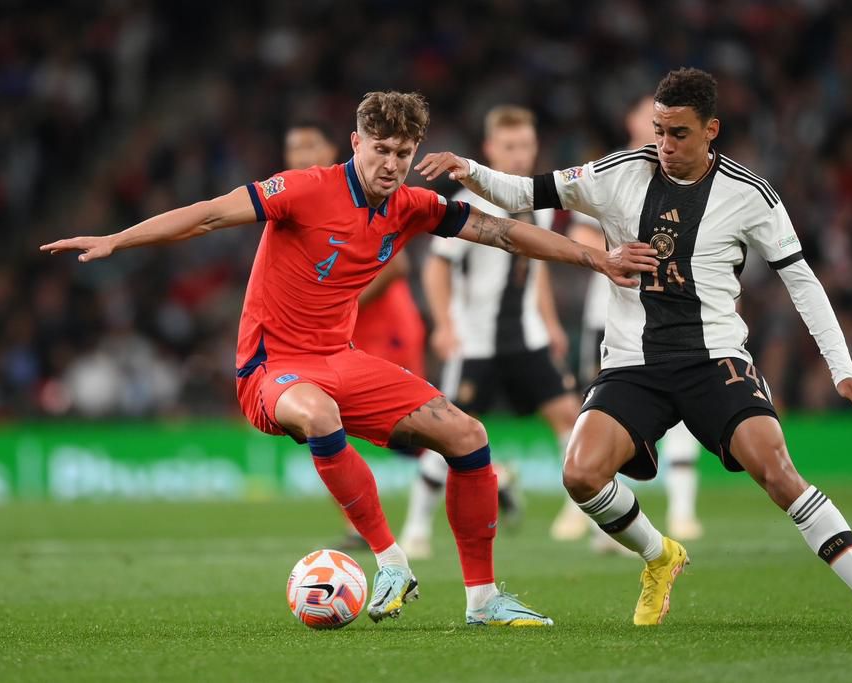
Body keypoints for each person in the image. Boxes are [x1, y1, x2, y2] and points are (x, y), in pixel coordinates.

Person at [42, 90, 656, 627]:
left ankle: (483, 599)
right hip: (271, 367)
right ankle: (391, 563)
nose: (391, 165)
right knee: (317, 412)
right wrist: (118, 238)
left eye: (403, 153)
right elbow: (208, 215)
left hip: (339, 358)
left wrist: (597, 259)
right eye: (381, 150)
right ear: (356, 142)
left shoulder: (412, 205)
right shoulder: (306, 189)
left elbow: (503, 231)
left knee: (467, 435)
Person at [416, 68, 852, 627]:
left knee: (778, 471)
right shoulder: (618, 173)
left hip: (715, 359)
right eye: (658, 130)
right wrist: (469, 169)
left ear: (712, 130)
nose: (664, 145)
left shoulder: (750, 195)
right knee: (580, 474)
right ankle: (660, 556)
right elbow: (526, 191)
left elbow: (801, 280)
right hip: (634, 363)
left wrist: (841, 368)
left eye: (678, 133)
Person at [399, 105, 582, 559]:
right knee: (444, 433)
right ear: (489, 149)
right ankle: (416, 527)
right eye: (509, 146)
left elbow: (534, 271)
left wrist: (552, 323)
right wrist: (444, 324)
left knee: (572, 419)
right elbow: (435, 269)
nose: (519, 155)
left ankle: (587, 516)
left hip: (527, 338)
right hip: (475, 341)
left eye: (525, 145)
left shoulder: (534, 204)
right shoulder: (473, 202)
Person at [562, 95, 704, 547]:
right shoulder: (607, 173)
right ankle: (598, 516)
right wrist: (617, 250)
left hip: (674, 318)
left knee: (680, 409)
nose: (662, 131)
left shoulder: (691, 182)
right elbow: (578, 235)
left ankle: (682, 511)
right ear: (631, 121)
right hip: (609, 319)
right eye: (653, 121)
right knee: (602, 411)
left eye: (671, 125)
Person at [284, 121, 426, 552]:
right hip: (337, 340)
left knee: (411, 434)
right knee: (322, 429)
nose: (303, 153)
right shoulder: (299, 198)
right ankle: (359, 523)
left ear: (339, 148)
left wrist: (338, 302)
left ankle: (491, 480)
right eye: (294, 147)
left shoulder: (360, 195)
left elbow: (397, 266)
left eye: (312, 144)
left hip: (386, 330)